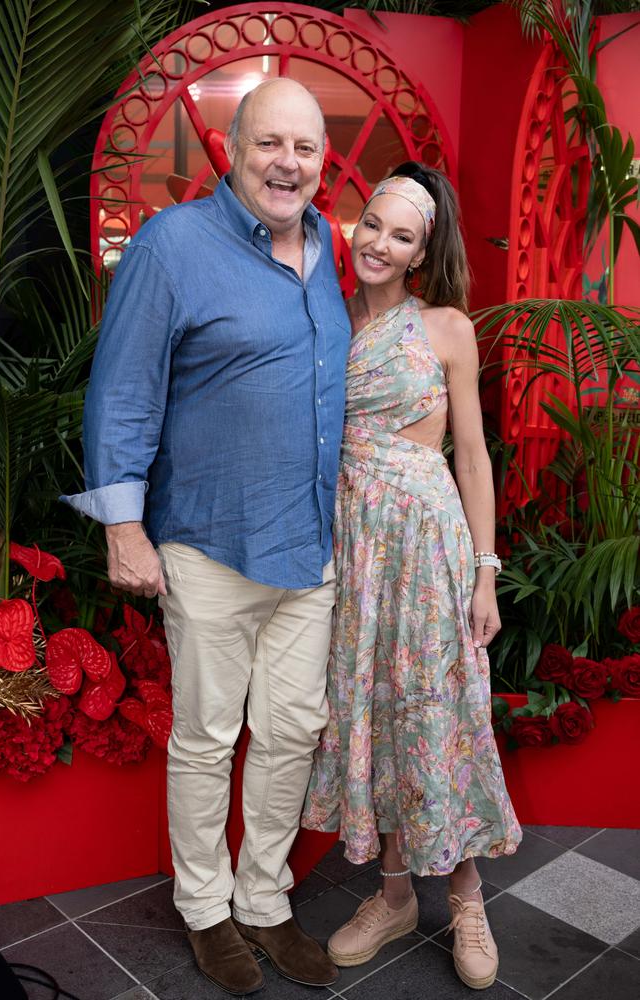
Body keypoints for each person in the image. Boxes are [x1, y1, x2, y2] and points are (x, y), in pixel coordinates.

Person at [63, 78, 351, 996]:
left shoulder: (329, 246)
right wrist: (124, 529)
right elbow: (122, 390)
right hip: (209, 539)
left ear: (321, 162)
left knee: (292, 733)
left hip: (309, 543)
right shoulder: (173, 245)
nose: (288, 164)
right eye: (271, 143)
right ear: (233, 148)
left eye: (305, 149)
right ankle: (205, 909)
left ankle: (265, 899)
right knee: (207, 737)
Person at [302, 164, 522, 991]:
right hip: (353, 543)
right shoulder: (322, 319)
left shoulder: (446, 327)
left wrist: (485, 575)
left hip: (428, 545)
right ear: (354, 227)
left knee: (435, 709)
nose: (381, 244)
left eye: (403, 235)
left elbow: (471, 455)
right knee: (370, 712)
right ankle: (393, 896)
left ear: (423, 251)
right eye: (374, 226)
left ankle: (466, 897)